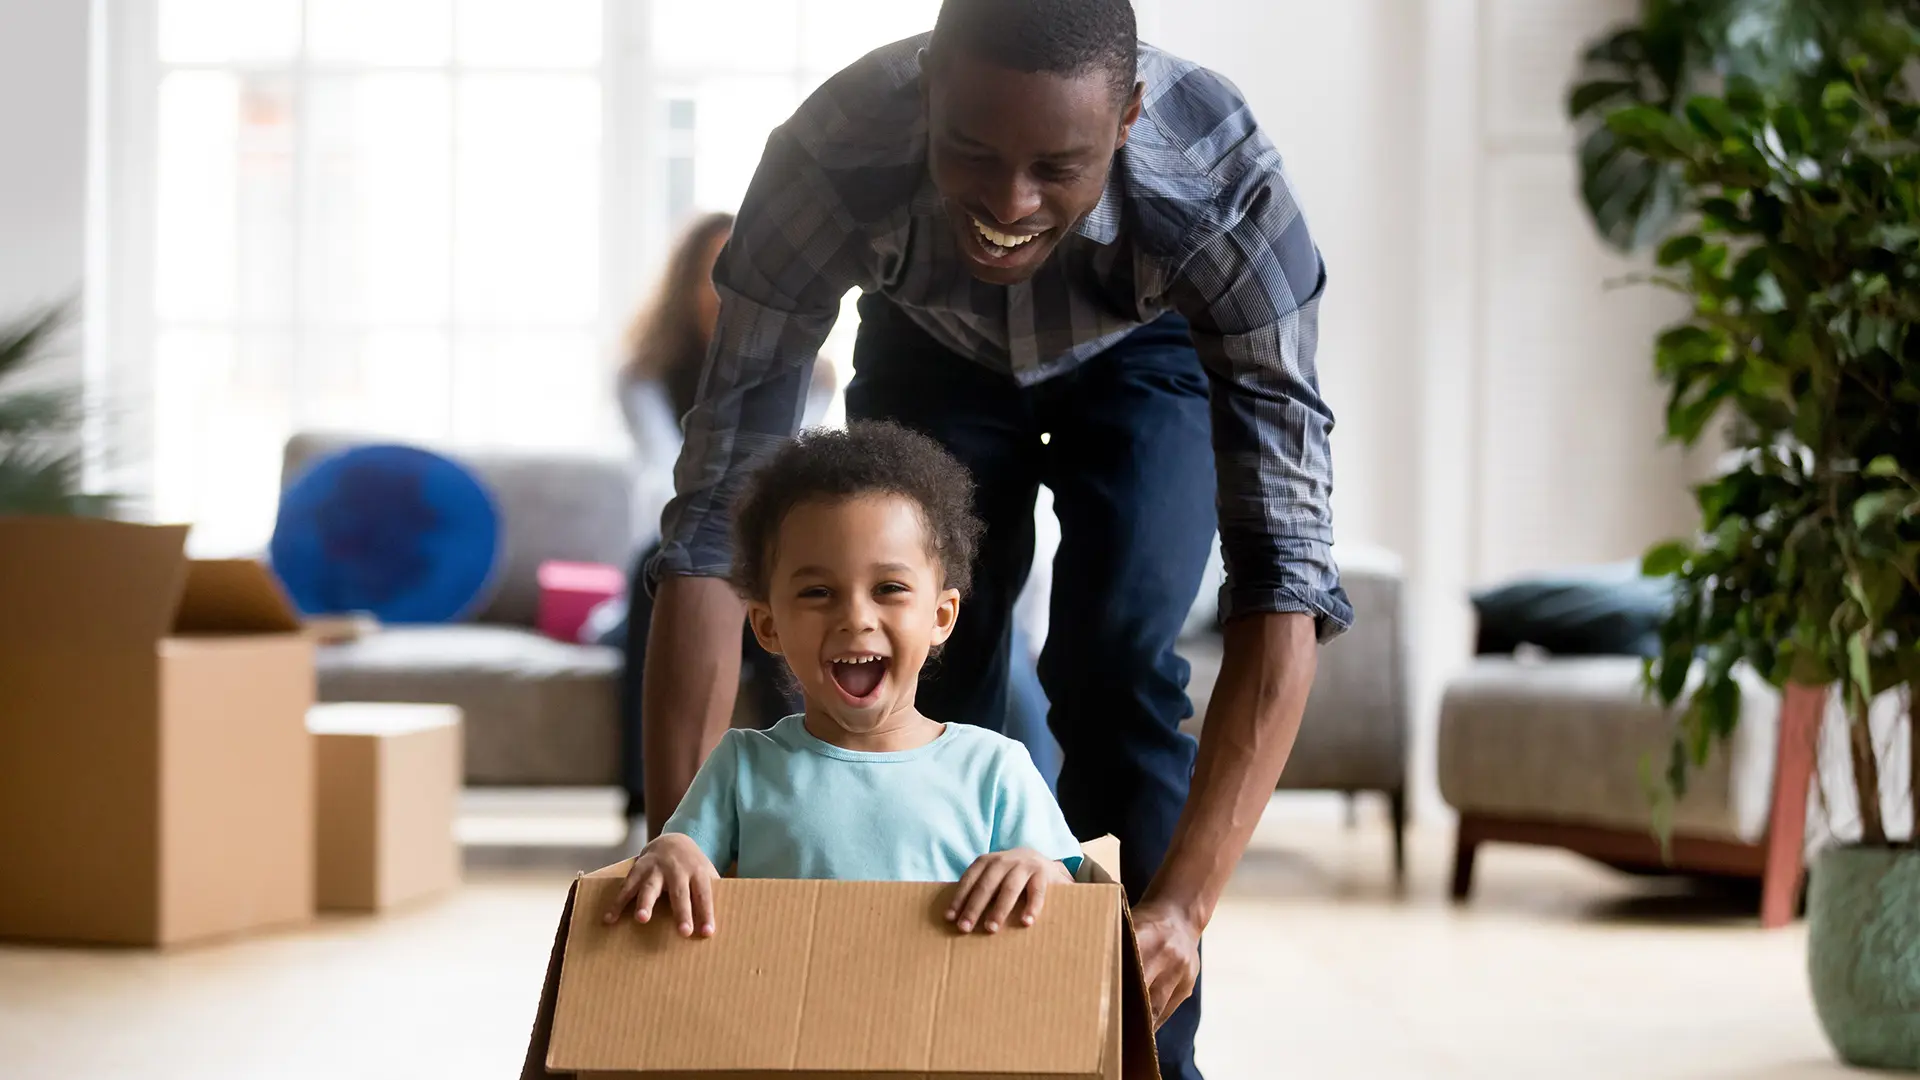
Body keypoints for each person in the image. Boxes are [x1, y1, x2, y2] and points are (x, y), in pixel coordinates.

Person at [642, 2, 1351, 1075]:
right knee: (930, 669)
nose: (1008, 203)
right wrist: (674, 854)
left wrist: (1186, 911)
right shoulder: (830, 157)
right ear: (929, 93)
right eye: (971, 152)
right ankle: (922, 1041)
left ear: (1127, 120)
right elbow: (711, 525)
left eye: (1053, 166)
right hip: (931, 343)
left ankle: (1139, 1052)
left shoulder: (1225, 194)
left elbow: (1284, 572)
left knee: (1115, 661)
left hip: (1147, 350)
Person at [604, 422, 1082, 937]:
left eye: (889, 588)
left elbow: (1070, 900)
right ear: (768, 626)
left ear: (941, 617)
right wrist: (670, 851)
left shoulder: (995, 770)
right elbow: (679, 862)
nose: (856, 617)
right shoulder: (741, 768)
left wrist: (1041, 870)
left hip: (942, 1016)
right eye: (817, 593)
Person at [608, 210, 833, 820]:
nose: (726, 295)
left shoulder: (813, 375)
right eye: (712, 276)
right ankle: (647, 807)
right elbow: (662, 474)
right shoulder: (645, 376)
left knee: (787, 596)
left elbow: (795, 469)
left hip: (770, 543)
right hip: (675, 546)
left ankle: (795, 795)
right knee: (654, 572)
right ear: (684, 286)